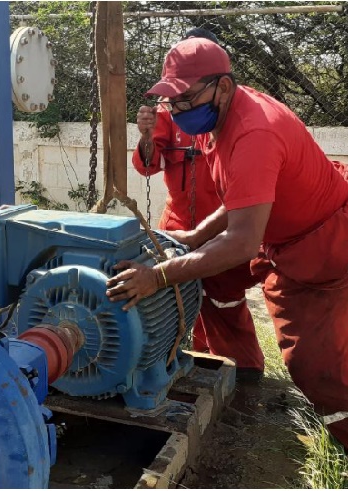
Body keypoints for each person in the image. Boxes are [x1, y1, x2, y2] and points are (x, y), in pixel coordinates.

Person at [107, 38, 348, 486]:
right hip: (280, 236)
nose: (178, 109)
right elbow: (240, 197)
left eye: (186, 98)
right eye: (173, 100)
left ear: (223, 87)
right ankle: (243, 370)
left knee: (317, 364)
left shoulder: (255, 131)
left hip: (323, 243)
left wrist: (160, 276)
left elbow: (243, 241)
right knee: (220, 292)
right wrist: (193, 236)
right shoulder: (226, 117)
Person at [132, 28, 264, 380]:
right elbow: (149, 165)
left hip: (222, 222)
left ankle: (243, 367)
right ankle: (193, 356)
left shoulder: (228, 115)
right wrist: (146, 136)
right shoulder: (170, 111)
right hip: (178, 222)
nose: (182, 103)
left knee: (224, 297)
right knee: (182, 296)